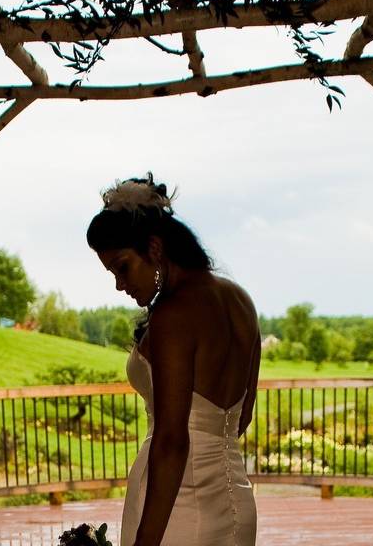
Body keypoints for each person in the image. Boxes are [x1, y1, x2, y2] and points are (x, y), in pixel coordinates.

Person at [87, 173, 260, 546]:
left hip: (174, 510)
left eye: (122, 266)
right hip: (237, 505)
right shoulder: (240, 301)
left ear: (154, 248)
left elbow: (171, 441)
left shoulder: (173, 316)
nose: (119, 284)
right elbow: (240, 417)